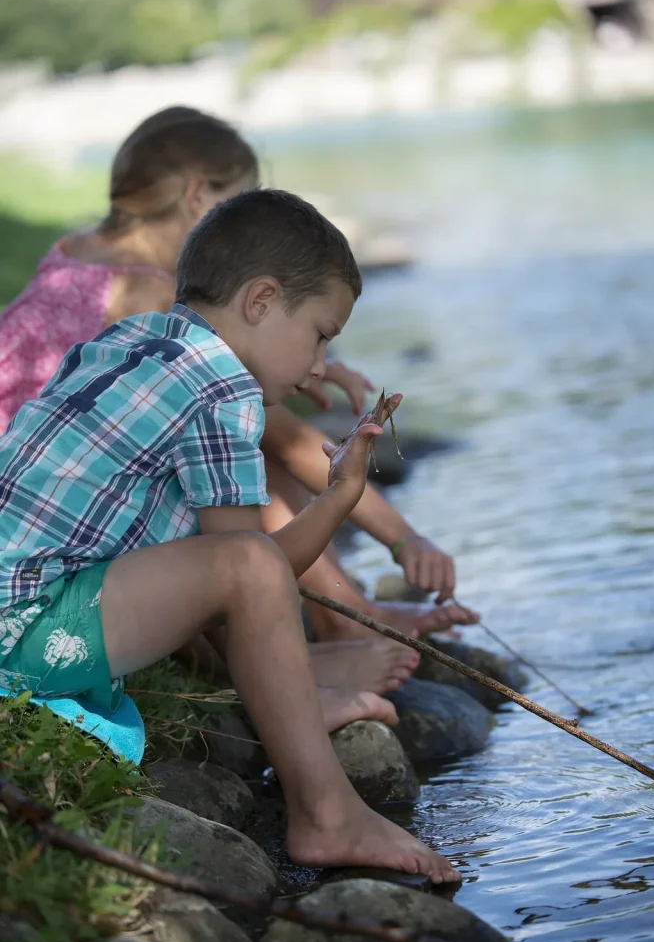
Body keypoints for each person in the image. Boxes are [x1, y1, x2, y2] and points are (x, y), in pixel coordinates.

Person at [0, 189, 460, 882]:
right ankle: (325, 810)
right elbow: (255, 574)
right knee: (243, 565)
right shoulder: (220, 391)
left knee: (200, 543)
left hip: (22, 601)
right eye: (319, 334)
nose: (318, 364)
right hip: (26, 633)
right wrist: (337, 498)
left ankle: (293, 694)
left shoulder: (134, 338)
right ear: (261, 300)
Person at [0, 106, 477, 696]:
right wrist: (403, 537)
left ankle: (328, 627)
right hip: (60, 553)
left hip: (31, 503)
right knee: (250, 473)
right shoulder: (144, 293)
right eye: (239, 203)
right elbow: (288, 440)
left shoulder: (77, 256)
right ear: (201, 198)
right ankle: (320, 639)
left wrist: (300, 355)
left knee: (227, 474)